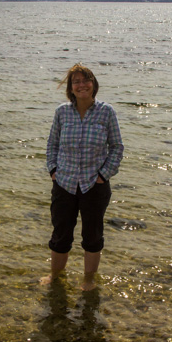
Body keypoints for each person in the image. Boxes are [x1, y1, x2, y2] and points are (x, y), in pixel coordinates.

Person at [43, 64, 124, 291]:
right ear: (70, 88)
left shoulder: (106, 112)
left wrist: (103, 175)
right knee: (60, 236)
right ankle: (55, 277)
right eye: (76, 82)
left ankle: (88, 280)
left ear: (93, 84)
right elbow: (52, 144)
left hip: (94, 185)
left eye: (85, 80)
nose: (81, 85)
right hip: (64, 184)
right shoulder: (62, 112)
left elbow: (117, 147)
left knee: (92, 236)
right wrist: (53, 170)